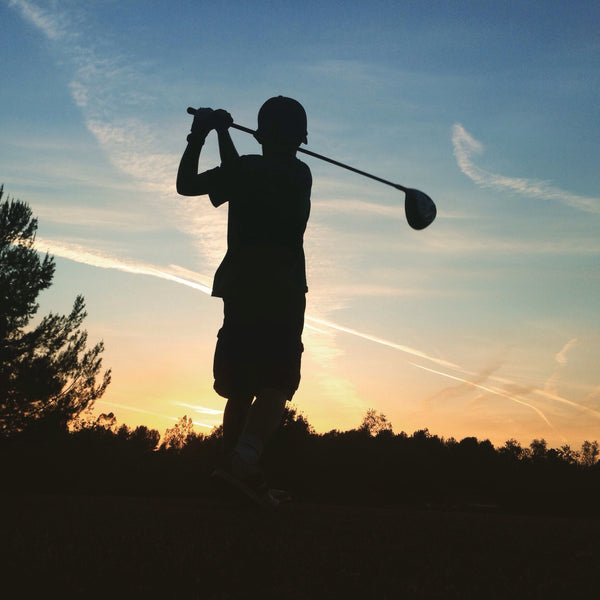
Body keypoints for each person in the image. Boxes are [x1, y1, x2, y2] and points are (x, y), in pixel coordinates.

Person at [176, 97, 311, 507]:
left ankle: (234, 470)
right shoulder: (291, 169)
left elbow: (193, 181)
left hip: (241, 287)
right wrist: (204, 135)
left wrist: (207, 133)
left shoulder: (289, 172)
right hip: (281, 291)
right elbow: (187, 185)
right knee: (276, 382)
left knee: (244, 386)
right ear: (300, 138)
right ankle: (240, 465)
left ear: (261, 131)